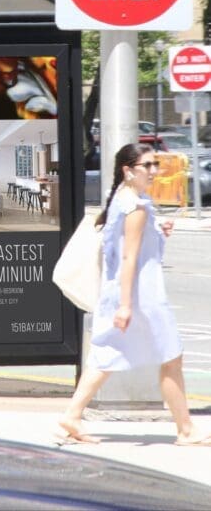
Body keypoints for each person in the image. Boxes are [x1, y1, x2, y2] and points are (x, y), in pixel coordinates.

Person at [58, 142, 211, 447]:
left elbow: (128, 241)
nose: (154, 171)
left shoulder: (125, 198)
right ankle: (185, 429)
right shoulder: (136, 206)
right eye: (147, 166)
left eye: (156, 164)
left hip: (126, 293)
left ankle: (72, 415)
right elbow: (129, 257)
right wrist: (126, 306)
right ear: (128, 171)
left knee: (106, 356)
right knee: (171, 357)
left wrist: (158, 227)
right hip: (141, 296)